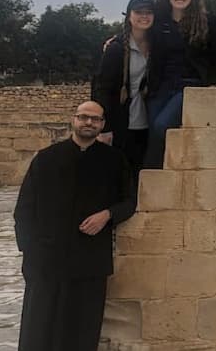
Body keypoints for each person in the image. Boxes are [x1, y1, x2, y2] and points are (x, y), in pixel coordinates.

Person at [14, 101, 136, 350]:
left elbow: (129, 201)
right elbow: (24, 208)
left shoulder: (114, 161)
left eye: (95, 119)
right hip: (46, 260)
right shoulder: (47, 159)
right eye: (83, 117)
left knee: (82, 330)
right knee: (39, 329)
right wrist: (29, 250)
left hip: (88, 261)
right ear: (74, 120)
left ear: (102, 124)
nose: (88, 123)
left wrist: (107, 214)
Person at [144, 0, 216, 168]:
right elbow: (137, 29)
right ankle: (150, 184)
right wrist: (115, 40)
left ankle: (162, 176)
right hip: (161, 86)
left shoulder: (207, 22)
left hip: (189, 86)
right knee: (152, 133)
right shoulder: (159, 22)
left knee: (162, 127)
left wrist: (214, 81)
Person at [92, 0, 164, 172]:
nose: (144, 16)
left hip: (147, 120)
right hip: (121, 121)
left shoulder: (158, 46)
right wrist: (104, 127)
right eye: (139, 12)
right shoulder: (116, 49)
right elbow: (102, 89)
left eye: (148, 12)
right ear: (129, 16)